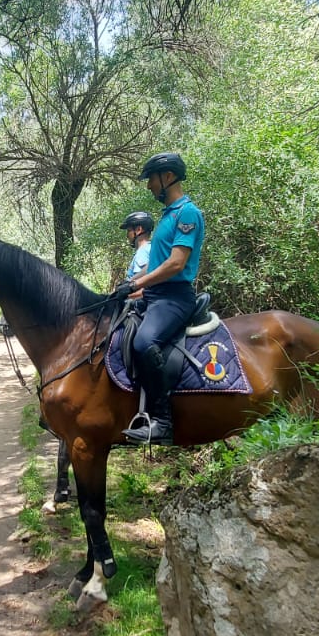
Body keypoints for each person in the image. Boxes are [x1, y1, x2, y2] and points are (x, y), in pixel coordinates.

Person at [113, 152, 205, 445]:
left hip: (175, 298)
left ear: (168, 177)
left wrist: (136, 283)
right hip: (155, 296)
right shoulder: (167, 216)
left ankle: (163, 421)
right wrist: (129, 291)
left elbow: (176, 264)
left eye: (151, 179)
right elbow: (156, 270)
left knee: (143, 342)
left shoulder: (186, 213)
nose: (149, 185)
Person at [120, 211, 156, 282]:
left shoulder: (142, 252)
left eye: (129, 231)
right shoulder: (151, 248)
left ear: (139, 230)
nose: (127, 235)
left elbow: (143, 282)